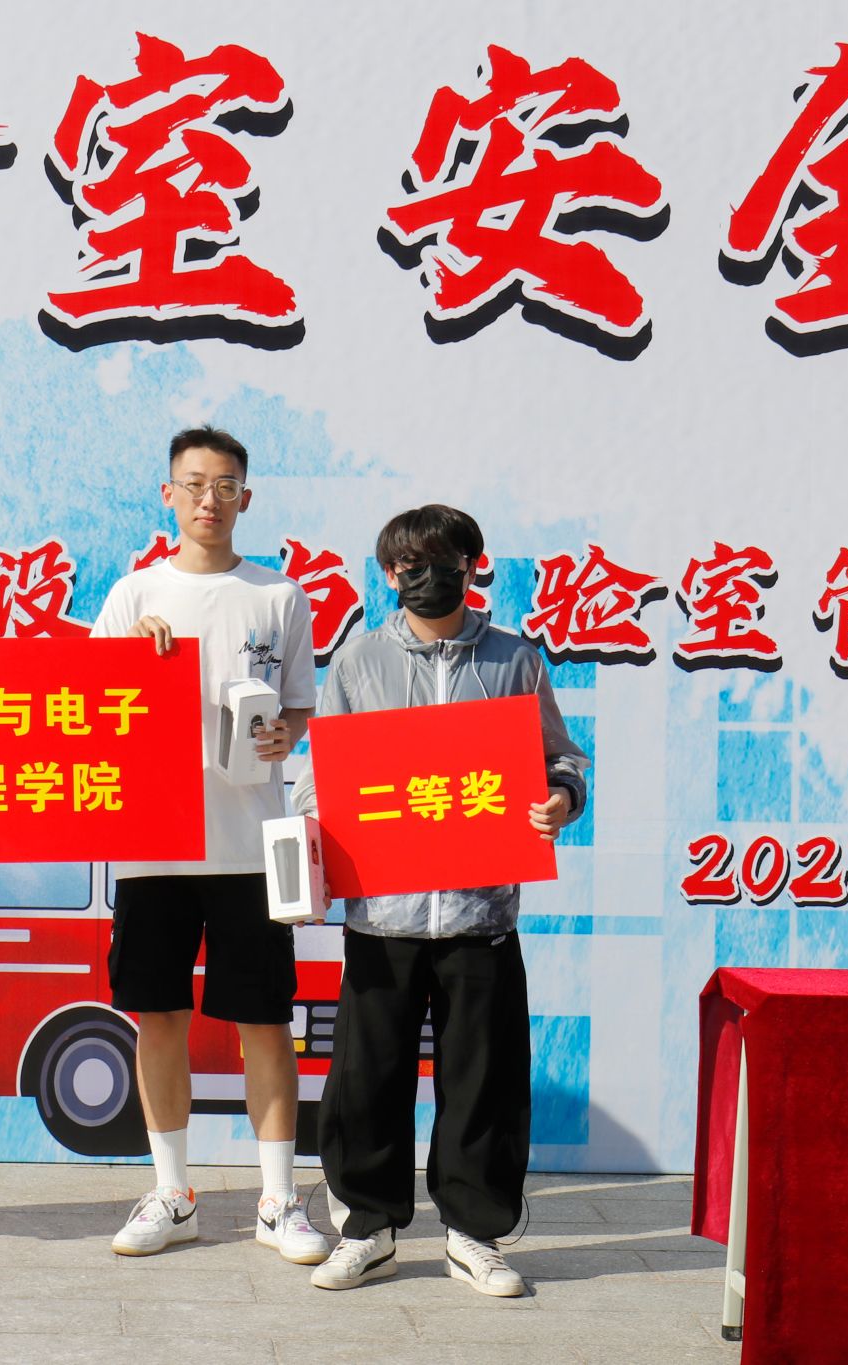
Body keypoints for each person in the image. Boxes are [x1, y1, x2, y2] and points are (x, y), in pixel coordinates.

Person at [295, 504, 589, 1298]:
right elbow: (321, 775)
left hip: (480, 914)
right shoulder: (357, 660)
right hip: (381, 915)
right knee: (368, 1077)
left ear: (471, 564)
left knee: (483, 1079)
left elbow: (561, 761)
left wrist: (560, 799)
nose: (425, 575)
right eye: (408, 564)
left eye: (443, 559)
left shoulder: (514, 660)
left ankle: (473, 1233)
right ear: (389, 573)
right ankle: (368, 1228)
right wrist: (312, 834)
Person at [90, 427, 328, 1264]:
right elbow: (84, 707)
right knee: (157, 1015)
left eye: (225, 485)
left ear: (245, 498)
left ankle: (278, 1199)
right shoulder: (133, 594)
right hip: (152, 844)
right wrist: (130, 656)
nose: (209, 499)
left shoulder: (279, 595)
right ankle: (173, 1192)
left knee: (264, 1019)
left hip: (249, 847)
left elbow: (298, 705)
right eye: (194, 484)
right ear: (169, 494)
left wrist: (285, 734)